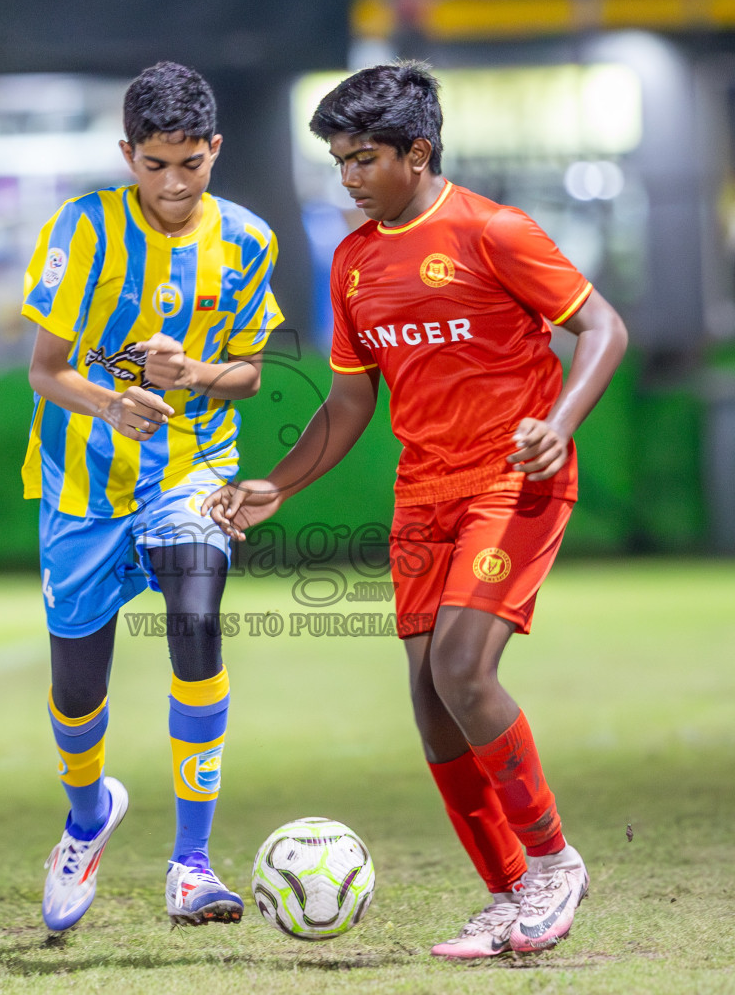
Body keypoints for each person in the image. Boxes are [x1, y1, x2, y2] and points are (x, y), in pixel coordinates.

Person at [203, 62, 628, 959]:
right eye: (337, 162)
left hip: (512, 477)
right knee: (432, 704)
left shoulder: (492, 231)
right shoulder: (353, 262)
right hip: (423, 492)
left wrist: (557, 423)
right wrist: (275, 486)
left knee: (464, 670)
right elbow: (349, 403)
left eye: (362, 160)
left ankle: (553, 864)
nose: (348, 178)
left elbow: (603, 328)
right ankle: (510, 891)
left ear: (417, 152)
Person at [21, 61, 284, 931]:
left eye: (190, 164)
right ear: (127, 153)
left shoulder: (246, 238)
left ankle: (191, 865)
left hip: (191, 473)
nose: (173, 185)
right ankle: (89, 817)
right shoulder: (83, 228)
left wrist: (199, 373)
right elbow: (45, 370)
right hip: (82, 487)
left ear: (215, 149)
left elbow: (248, 372)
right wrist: (113, 404)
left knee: (197, 623)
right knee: (76, 691)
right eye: (154, 165)